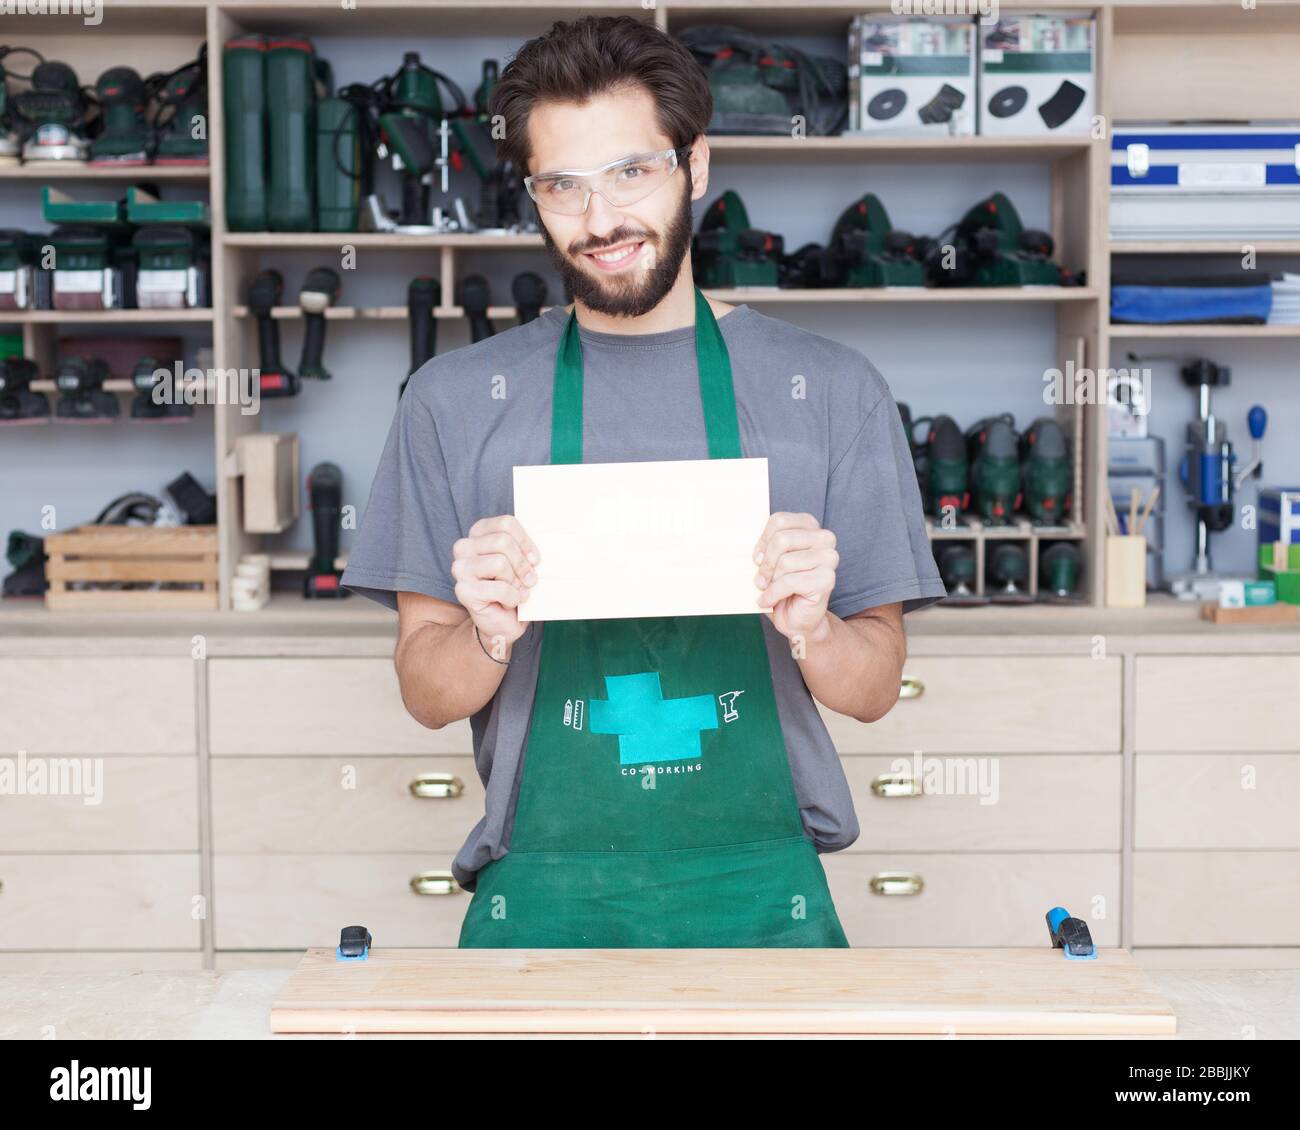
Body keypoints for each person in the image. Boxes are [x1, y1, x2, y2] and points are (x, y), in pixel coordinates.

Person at [340, 15, 946, 947]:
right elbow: (426, 693)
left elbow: (872, 689)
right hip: (537, 898)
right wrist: (487, 637)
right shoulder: (451, 401)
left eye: (633, 171)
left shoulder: (830, 392)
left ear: (694, 166)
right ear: (533, 194)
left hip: (764, 898)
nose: (601, 220)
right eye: (563, 186)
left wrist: (817, 630)